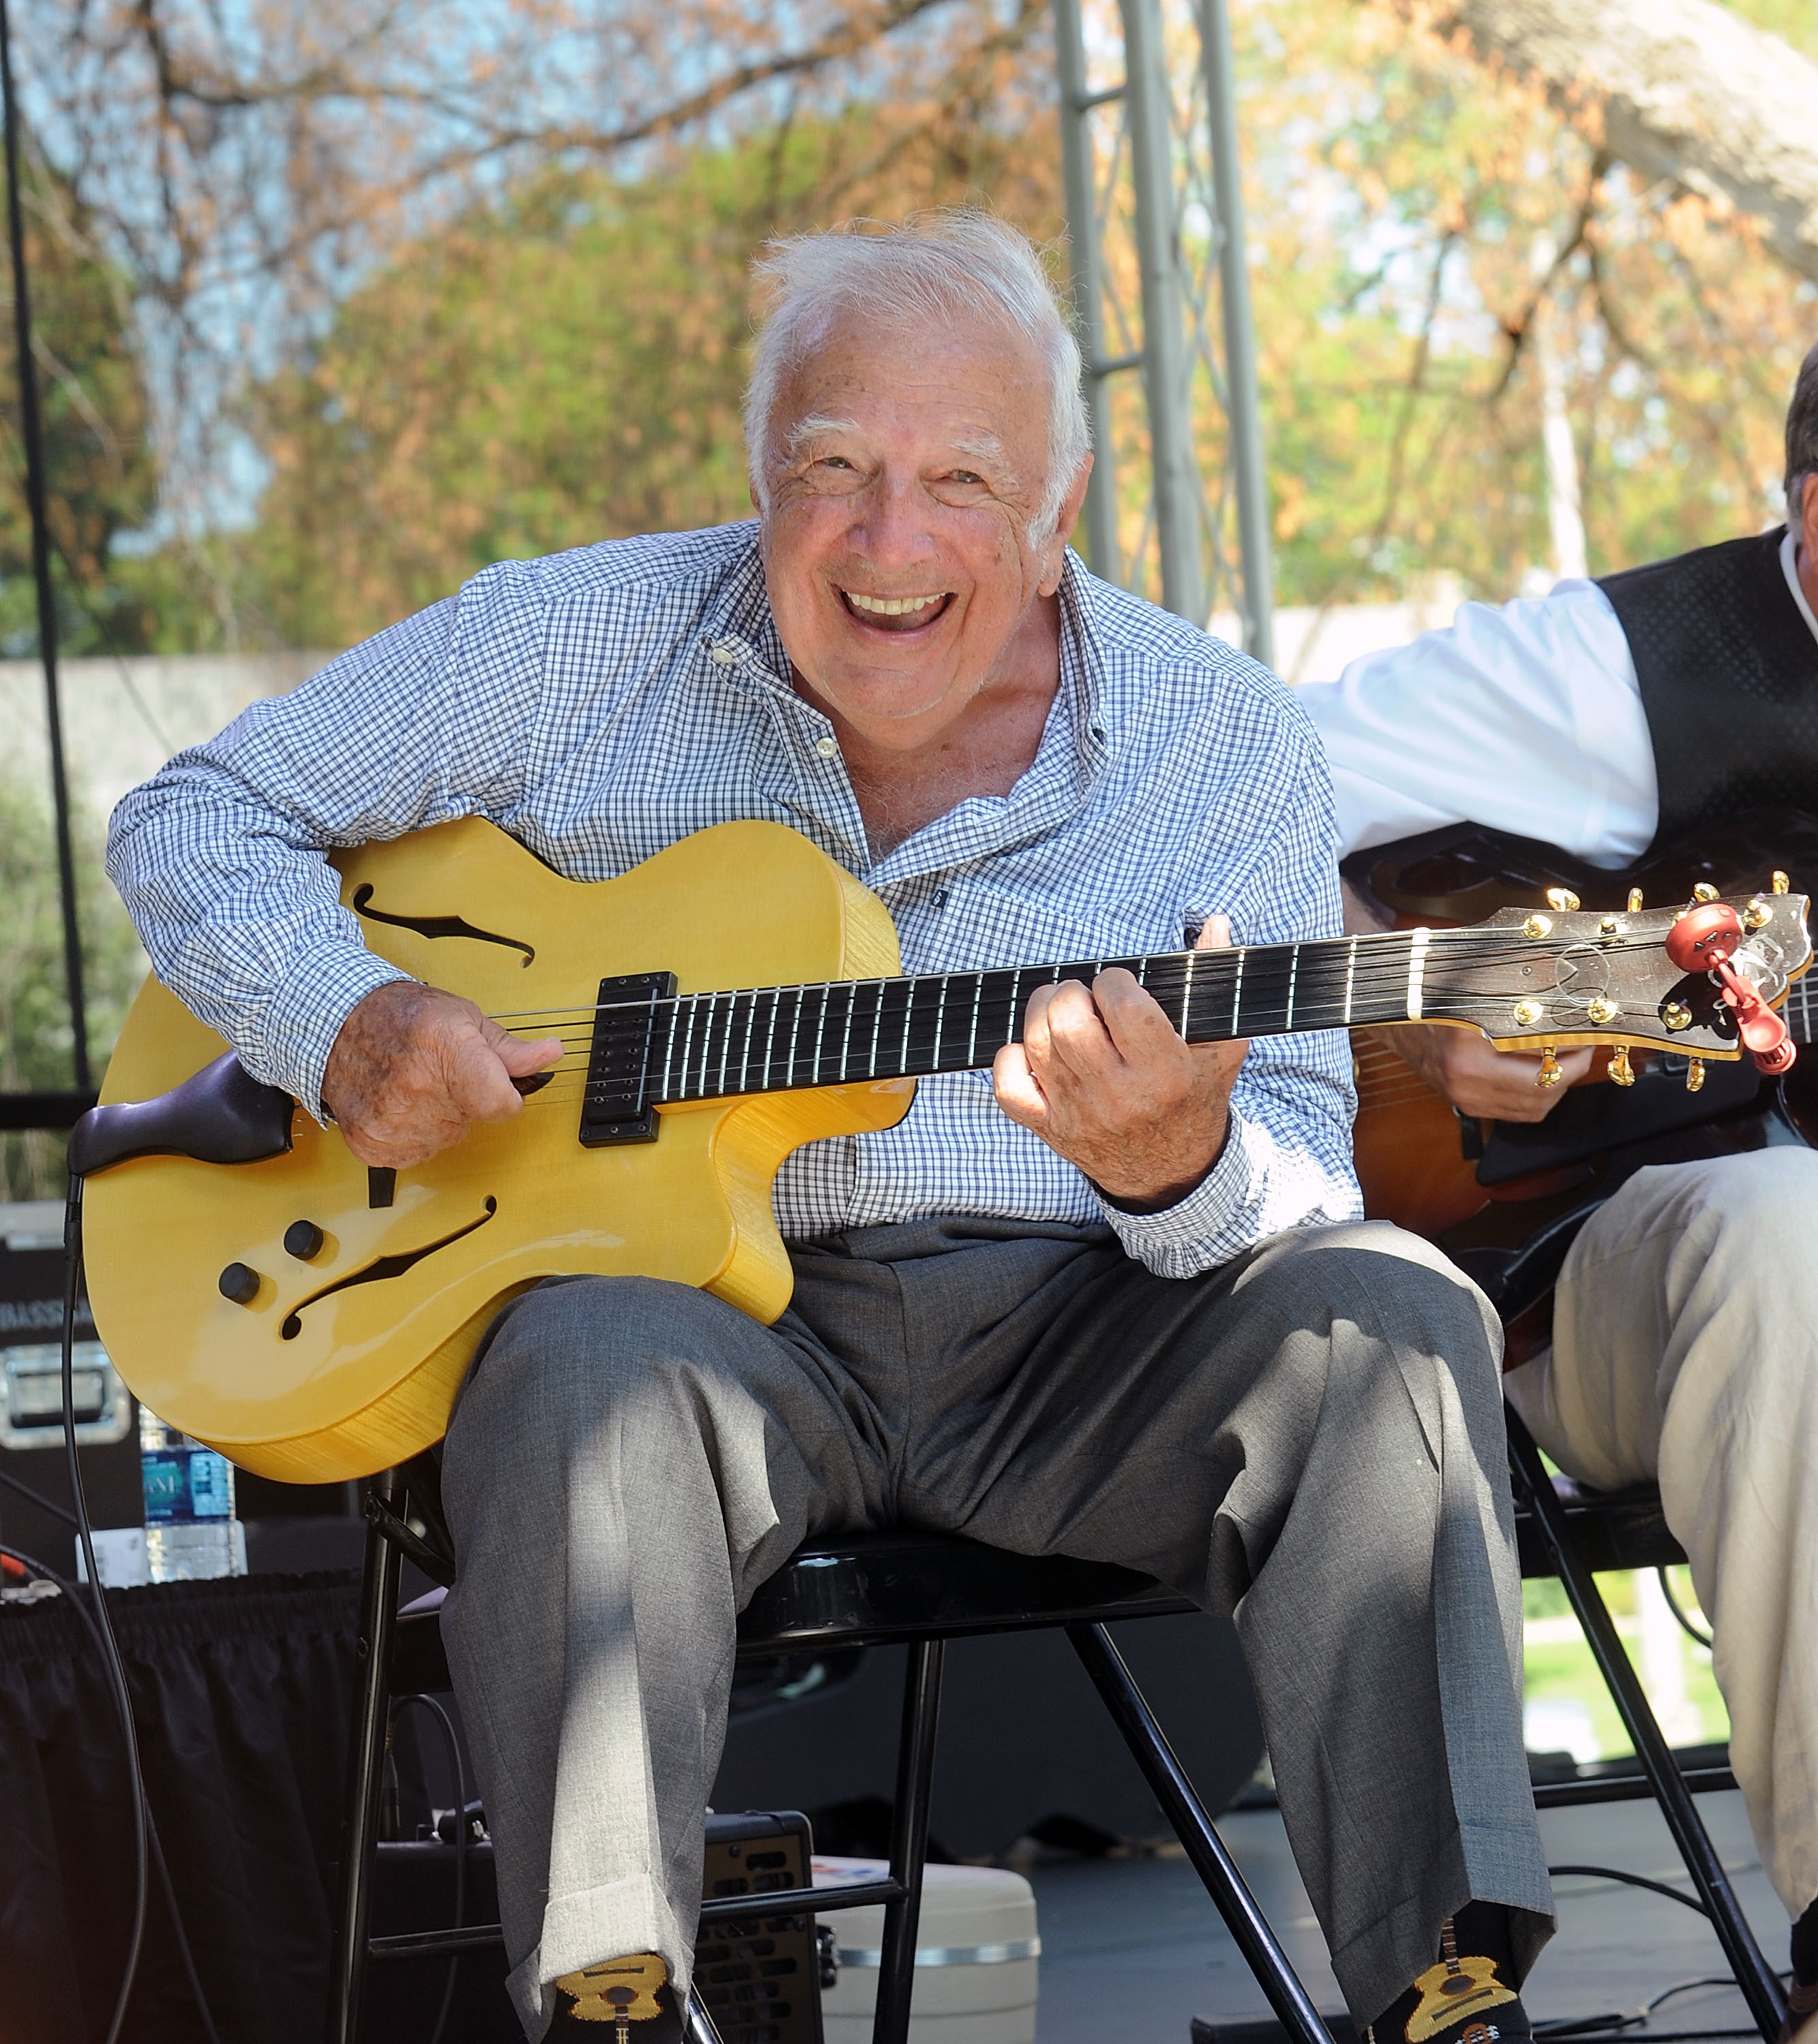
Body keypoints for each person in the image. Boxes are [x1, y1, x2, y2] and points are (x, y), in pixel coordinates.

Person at [108, 214, 1552, 2042]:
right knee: (574, 1363)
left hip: (1081, 1337)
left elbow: (1305, 1172)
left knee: (1388, 1309)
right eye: (834, 469)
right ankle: (611, 1993)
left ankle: (1444, 1992)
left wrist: (1176, 1165)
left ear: (1057, 510)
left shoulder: (1224, 743)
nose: (890, 542)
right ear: (755, 474)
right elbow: (193, 816)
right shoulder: (571, 635)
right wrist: (347, 1017)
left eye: (962, 480)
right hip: (702, 1336)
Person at [1301, 339, 1818, 2042]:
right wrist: (1421, 1009)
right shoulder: (1610, 670)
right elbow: (1206, 813)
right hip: (1622, 1272)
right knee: (1785, 1230)